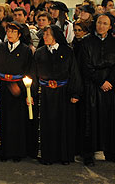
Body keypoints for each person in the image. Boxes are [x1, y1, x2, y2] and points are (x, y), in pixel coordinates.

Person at [34, 24, 82, 165]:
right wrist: (32, 93)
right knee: (47, 124)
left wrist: (75, 92)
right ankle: (48, 155)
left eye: (48, 34)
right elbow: (34, 74)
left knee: (63, 124)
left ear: (55, 36)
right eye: (44, 34)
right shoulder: (40, 52)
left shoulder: (67, 51)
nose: (45, 37)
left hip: (63, 93)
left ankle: (64, 156)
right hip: (45, 93)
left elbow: (74, 72)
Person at [79, 13, 115, 166]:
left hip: (109, 87)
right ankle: (88, 154)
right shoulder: (86, 42)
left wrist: (109, 81)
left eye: (105, 23)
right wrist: (100, 81)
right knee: (90, 121)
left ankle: (111, 152)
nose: (101, 26)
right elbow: (85, 65)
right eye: (99, 22)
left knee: (110, 120)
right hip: (92, 86)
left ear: (110, 26)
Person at [0, 21, 35, 162]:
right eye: (8, 31)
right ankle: (4, 151)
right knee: (3, 120)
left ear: (19, 34)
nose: (10, 34)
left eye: (13, 32)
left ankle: (17, 152)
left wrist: (20, 86)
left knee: (17, 122)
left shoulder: (25, 50)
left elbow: (29, 72)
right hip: (3, 88)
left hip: (18, 90)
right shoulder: (1, 48)